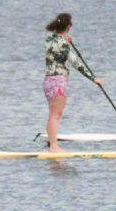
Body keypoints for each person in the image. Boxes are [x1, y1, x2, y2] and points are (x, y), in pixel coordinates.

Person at [43, 13, 101, 152]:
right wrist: (93, 79)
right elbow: (76, 63)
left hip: (47, 81)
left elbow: (57, 44)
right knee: (55, 115)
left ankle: (53, 145)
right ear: (68, 27)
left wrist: (65, 41)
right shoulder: (64, 44)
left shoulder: (49, 39)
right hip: (58, 82)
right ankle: (54, 147)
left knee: (52, 114)